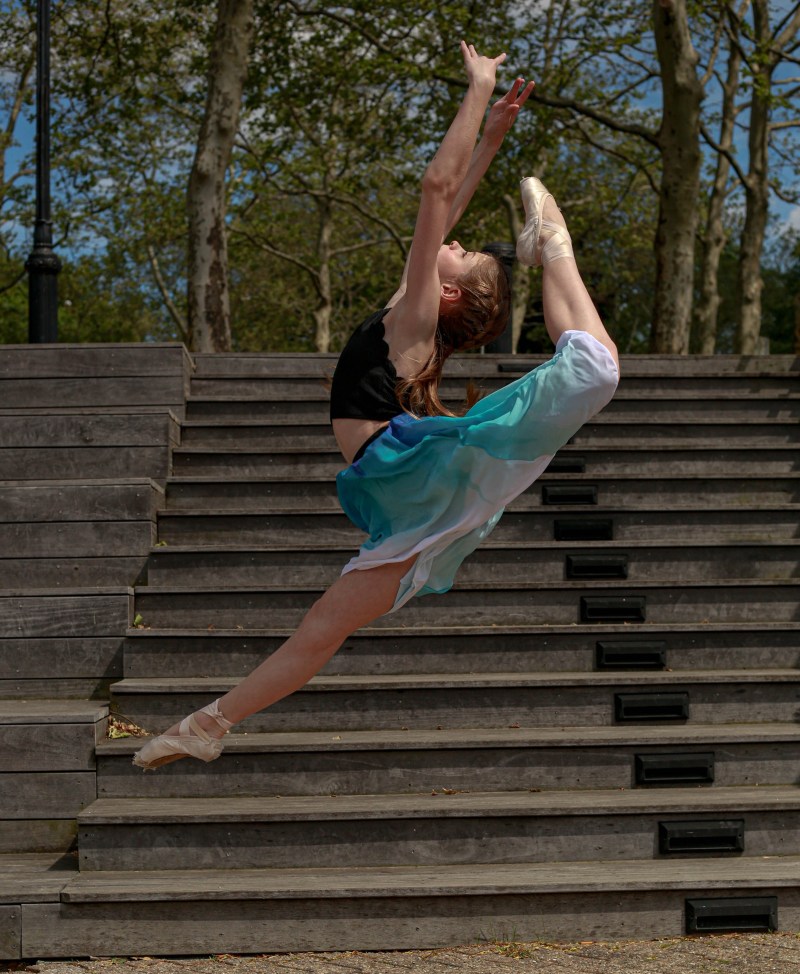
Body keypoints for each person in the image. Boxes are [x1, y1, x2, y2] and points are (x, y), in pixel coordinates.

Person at [133, 43, 619, 771]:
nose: (454, 241)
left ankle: (553, 246)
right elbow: (448, 202)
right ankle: (208, 725)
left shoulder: (415, 320)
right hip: (409, 492)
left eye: (462, 256)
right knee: (322, 628)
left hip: (411, 476)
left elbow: (435, 189)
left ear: (447, 292)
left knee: (594, 369)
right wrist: (490, 138)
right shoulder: (411, 314)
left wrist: (477, 90)